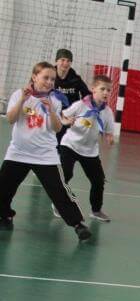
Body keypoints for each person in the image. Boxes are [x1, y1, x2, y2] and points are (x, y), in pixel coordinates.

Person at [0, 61, 91, 241]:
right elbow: (10, 119)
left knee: (59, 191)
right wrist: (22, 100)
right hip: (18, 152)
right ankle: (5, 215)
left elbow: (57, 128)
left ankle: (78, 224)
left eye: (52, 79)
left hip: (44, 155)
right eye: (45, 78)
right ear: (34, 77)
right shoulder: (19, 94)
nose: (49, 82)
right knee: (3, 187)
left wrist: (51, 110)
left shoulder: (55, 100)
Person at [57, 74, 116, 222]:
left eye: (109, 90)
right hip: (70, 145)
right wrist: (66, 121)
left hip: (90, 151)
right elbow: (63, 116)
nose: (106, 93)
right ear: (93, 89)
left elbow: (108, 131)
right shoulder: (80, 105)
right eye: (102, 89)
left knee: (98, 181)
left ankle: (96, 210)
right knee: (66, 175)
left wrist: (109, 138)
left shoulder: (108, 113)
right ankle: (58, 204)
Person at [53, 49, 90, 143]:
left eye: (68, 61)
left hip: (71, 115)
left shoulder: (76, 79)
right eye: (62, 60)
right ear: (56, 61)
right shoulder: (50, 77)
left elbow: (87, 95)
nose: (65, 63)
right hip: (53, 113)